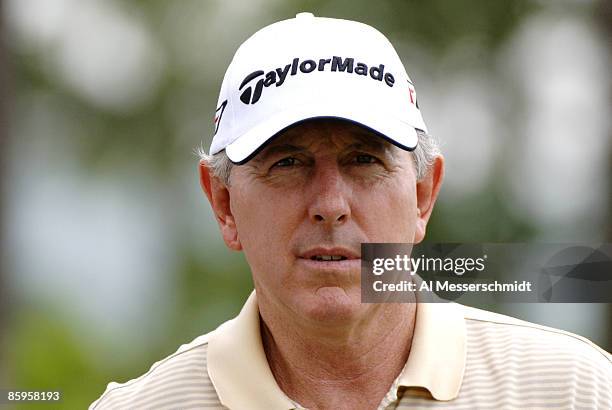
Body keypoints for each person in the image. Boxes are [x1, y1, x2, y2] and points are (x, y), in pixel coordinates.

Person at [90, 13, 611, 410]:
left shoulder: (577, 392)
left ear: (423, 195)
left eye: (364, 160)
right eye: (288, 162)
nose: (331, 205)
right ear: (224, 204)